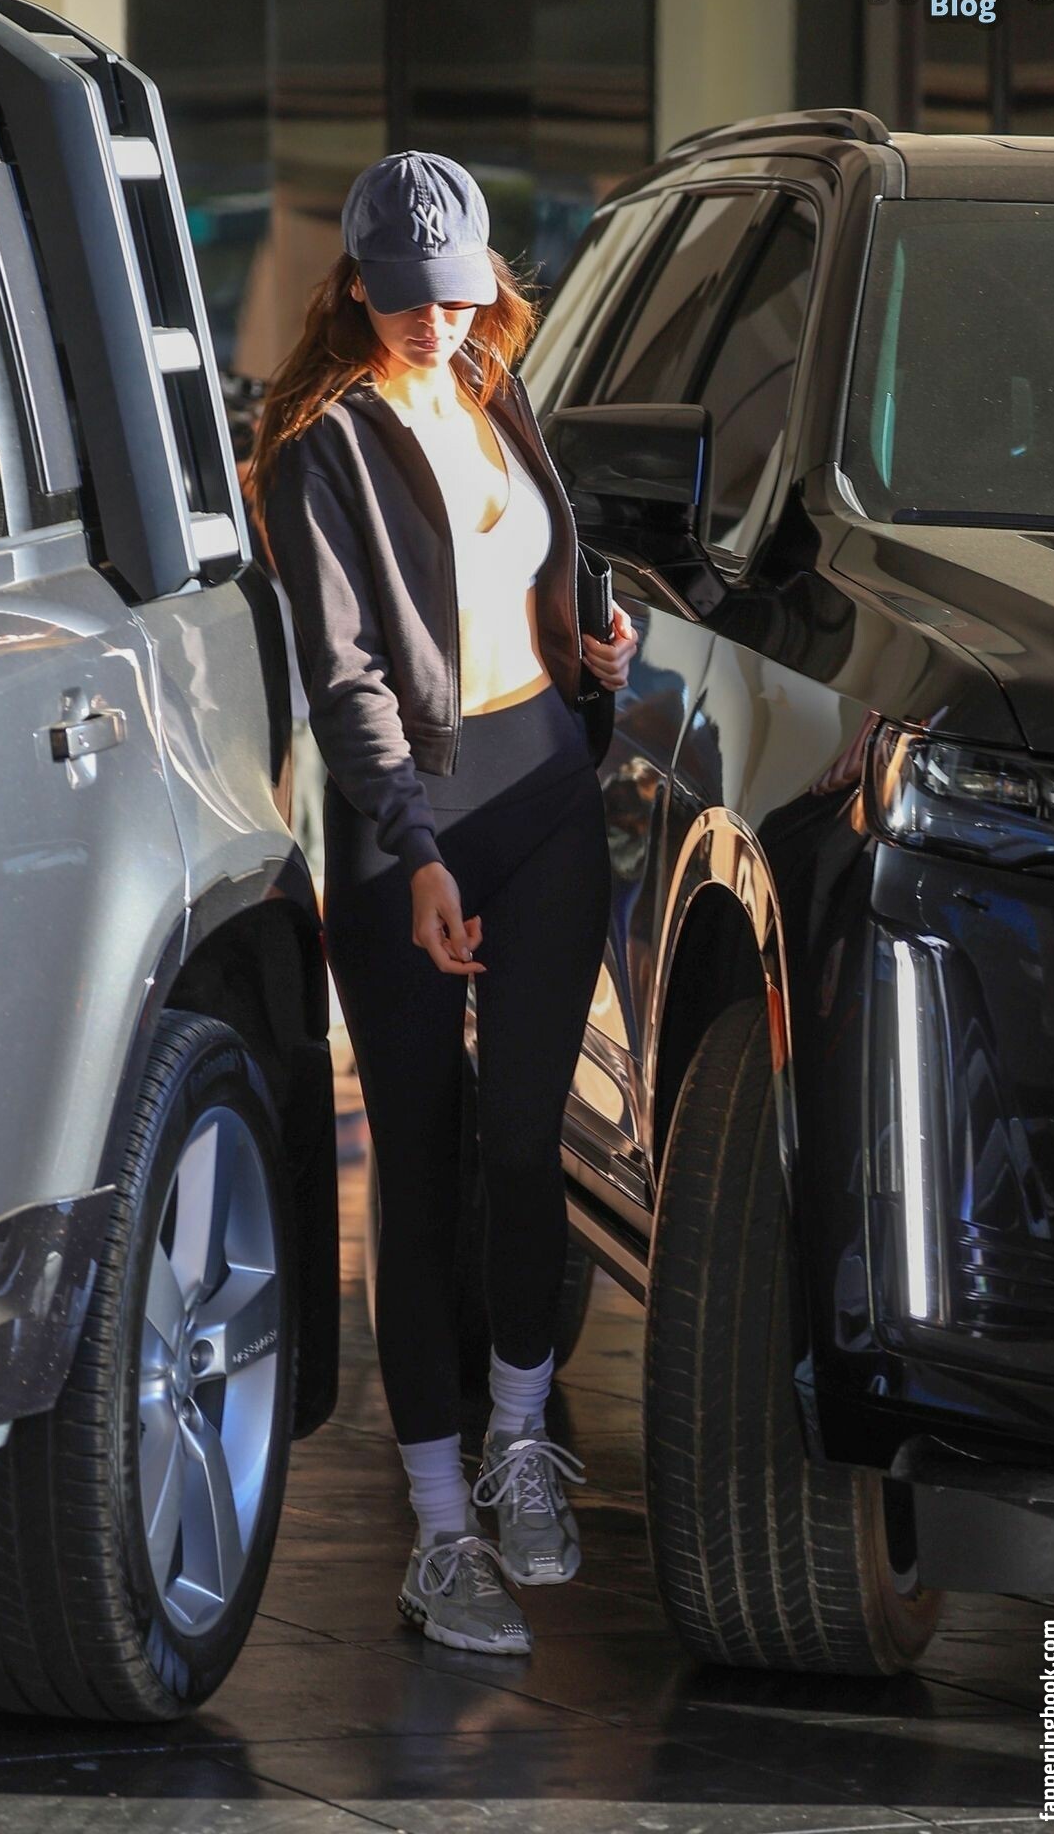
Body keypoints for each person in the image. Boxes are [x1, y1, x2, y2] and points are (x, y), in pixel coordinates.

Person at [251, 150, 636, 1656]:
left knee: (527, 1142)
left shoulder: (493, 387)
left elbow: (528, 572)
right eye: (408, 297)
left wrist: (589, 642)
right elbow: (346, 677)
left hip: (544, 795)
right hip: (404, 827)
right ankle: (438, 1530)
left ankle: (521, 1440)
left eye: (458, 294)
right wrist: (413, 851)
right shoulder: (318, 447)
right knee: (416, 1166)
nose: (436, 320)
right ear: (355, 285)